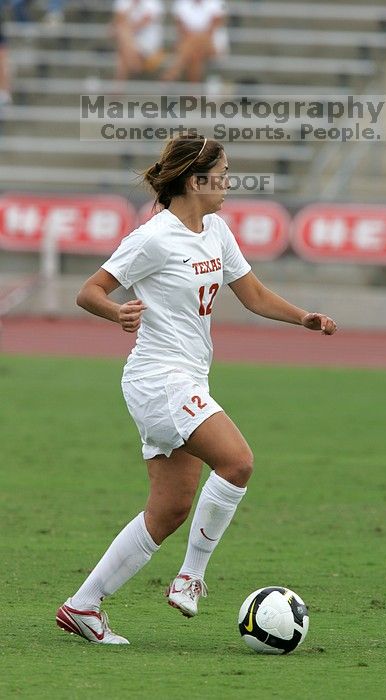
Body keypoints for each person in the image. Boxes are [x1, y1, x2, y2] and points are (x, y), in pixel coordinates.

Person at [55, 134, 337, 645]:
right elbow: (89, 291)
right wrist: (117, 311)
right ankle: (191, 577)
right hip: (158, 378)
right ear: (193, 179)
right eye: (222, 172)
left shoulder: (215, 230)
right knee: (238, 462)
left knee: (170, 509)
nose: (230, 182)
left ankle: (83, 606)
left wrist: (303, 318)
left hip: (187, 378)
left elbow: (250, 294)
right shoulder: (154, 237)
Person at [162, 0, 228, 83]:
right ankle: (193, 92)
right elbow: (182, 29)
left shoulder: (217, 3)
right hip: (191, 46)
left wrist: (193, 38)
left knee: (195, 45)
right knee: (196, 55)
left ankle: (173, 71)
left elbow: (210, 31)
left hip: (211, 45)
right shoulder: (181, 3)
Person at [112, 0, 165, 82]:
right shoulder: (123, 2)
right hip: (130, 44)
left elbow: (144, 22)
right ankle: (135, 65)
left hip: (149, 45)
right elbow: (118, 20)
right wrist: (132, 6)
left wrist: (124, 30)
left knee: (122, 40)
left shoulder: (153, 2)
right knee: (123, 44)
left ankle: (117, 88)